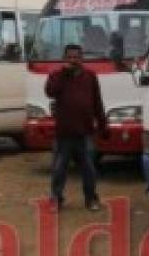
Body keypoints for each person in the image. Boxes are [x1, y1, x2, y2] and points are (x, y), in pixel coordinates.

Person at [45, 43, 107, 211]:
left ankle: (91, 199)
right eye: (70, 57)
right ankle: (56, 199)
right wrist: (63, 75)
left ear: (82, 58)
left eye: (76, 57)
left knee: (89, 170)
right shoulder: (57, 76)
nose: (73, 60)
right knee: (59, 169)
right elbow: (50, 91)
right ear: (65, 58)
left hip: (85, 132)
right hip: (64, 133)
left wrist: (103, 124)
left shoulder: (90, 76)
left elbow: (97, 102)